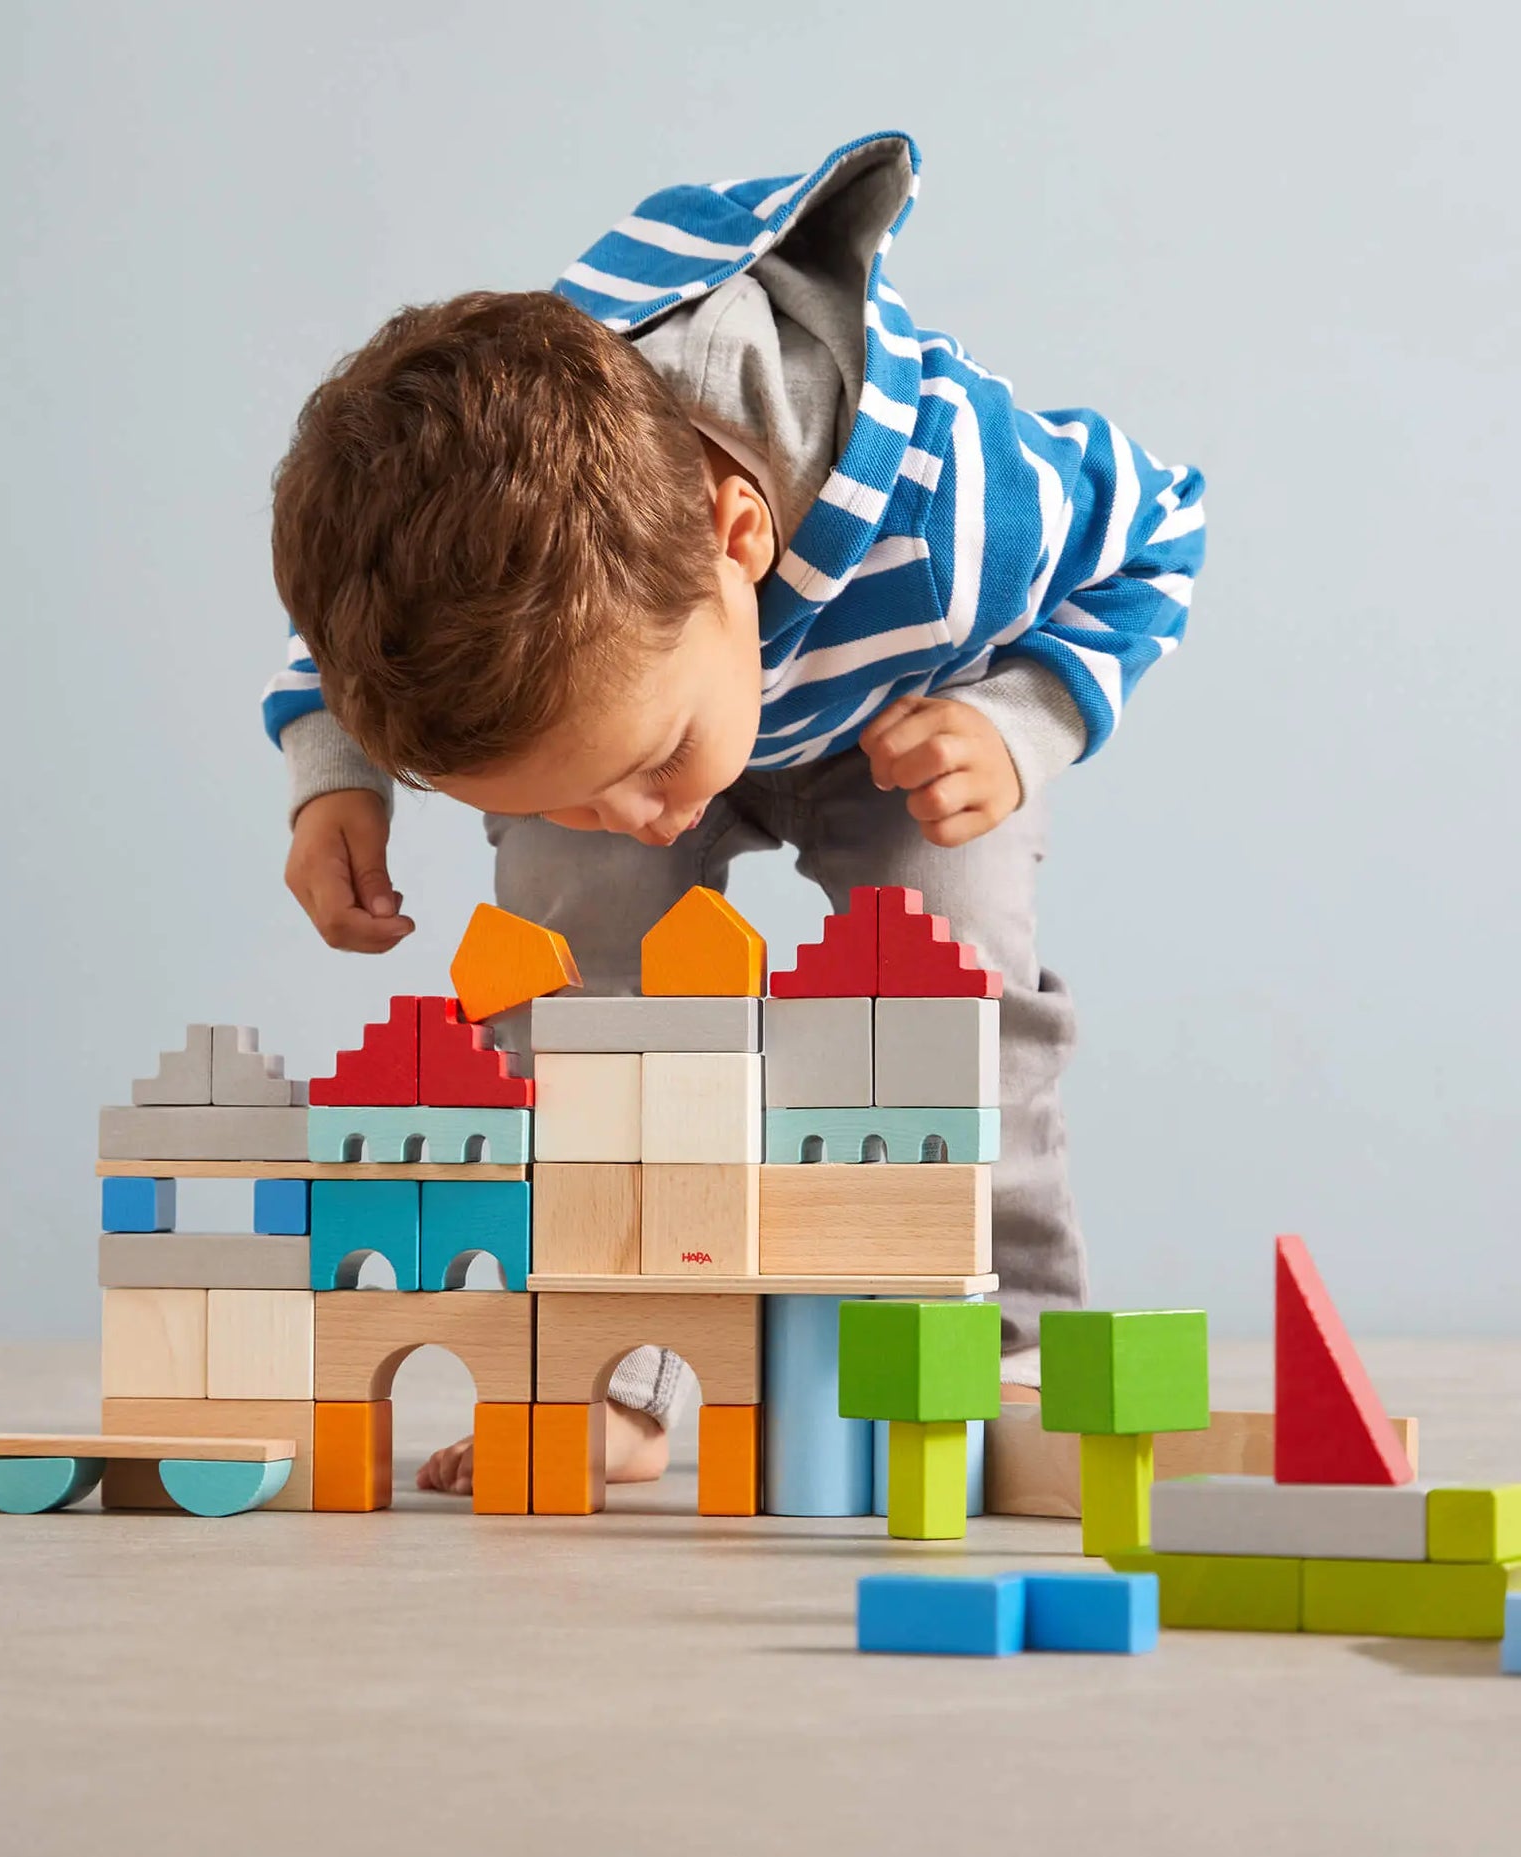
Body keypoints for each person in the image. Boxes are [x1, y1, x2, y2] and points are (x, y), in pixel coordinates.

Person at [262, 131, 1206, 1497]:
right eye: (568, 794)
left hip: (904, 718)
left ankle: (1006, 1356)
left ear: (736, 532)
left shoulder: (962, 508)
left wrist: (1022, 722)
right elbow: (353, 621)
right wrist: (334, 774)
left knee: (948, 994)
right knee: (576, 1004)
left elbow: (1159, 538)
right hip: (656, 677)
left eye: (644, 769)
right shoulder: (473, 558)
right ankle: (616, 1366)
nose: (638, 820)